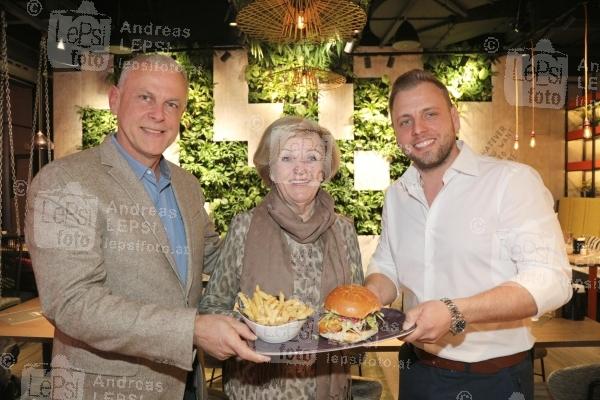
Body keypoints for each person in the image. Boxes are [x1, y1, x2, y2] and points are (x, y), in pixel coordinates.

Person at [25, 54, 269, 400]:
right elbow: (72, 304)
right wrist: (192, 329)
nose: (159, 115)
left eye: (172, 104)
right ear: (115, 100)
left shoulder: (187, 185)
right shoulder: (64, 182)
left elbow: (216, 256)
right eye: (145, 98)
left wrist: (286, 251)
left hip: (184, 380)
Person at [364, 69, 572, 400]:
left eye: (429, 114)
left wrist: (455, 311)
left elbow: (552, 279)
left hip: (493, 379)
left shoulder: (511, 181)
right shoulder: (396, 195)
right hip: (416, 370)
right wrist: (369, 297)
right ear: (396, 132)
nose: (418, 129)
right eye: (405, 121)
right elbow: (386, 265)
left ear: (455, 118)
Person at [199, 116, 363, 399]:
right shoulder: (244, 227)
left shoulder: (344, 230)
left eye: (312, 158)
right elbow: (213, 306)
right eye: (286, 158)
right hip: (259, 388)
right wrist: (261, 331)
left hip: (328, 387)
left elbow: (355, 313)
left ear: (323, 171)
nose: (300, 169)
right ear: (271, 170)